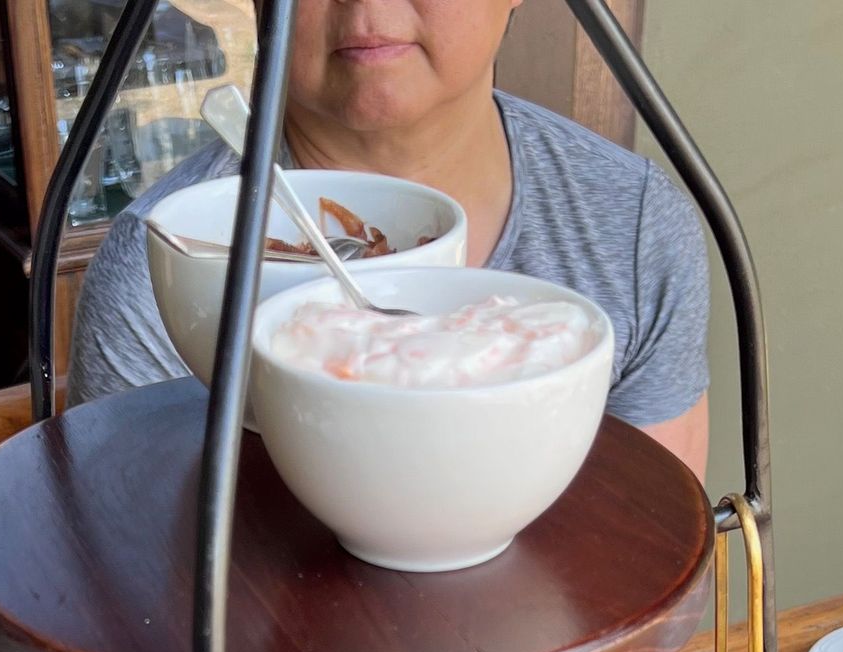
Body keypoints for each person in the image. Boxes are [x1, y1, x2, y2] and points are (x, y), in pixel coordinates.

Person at [68, 0, 710, 477]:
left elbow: (649, 551)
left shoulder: (633, 227)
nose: (366, 3)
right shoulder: (168, 269)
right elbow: (133, 573)